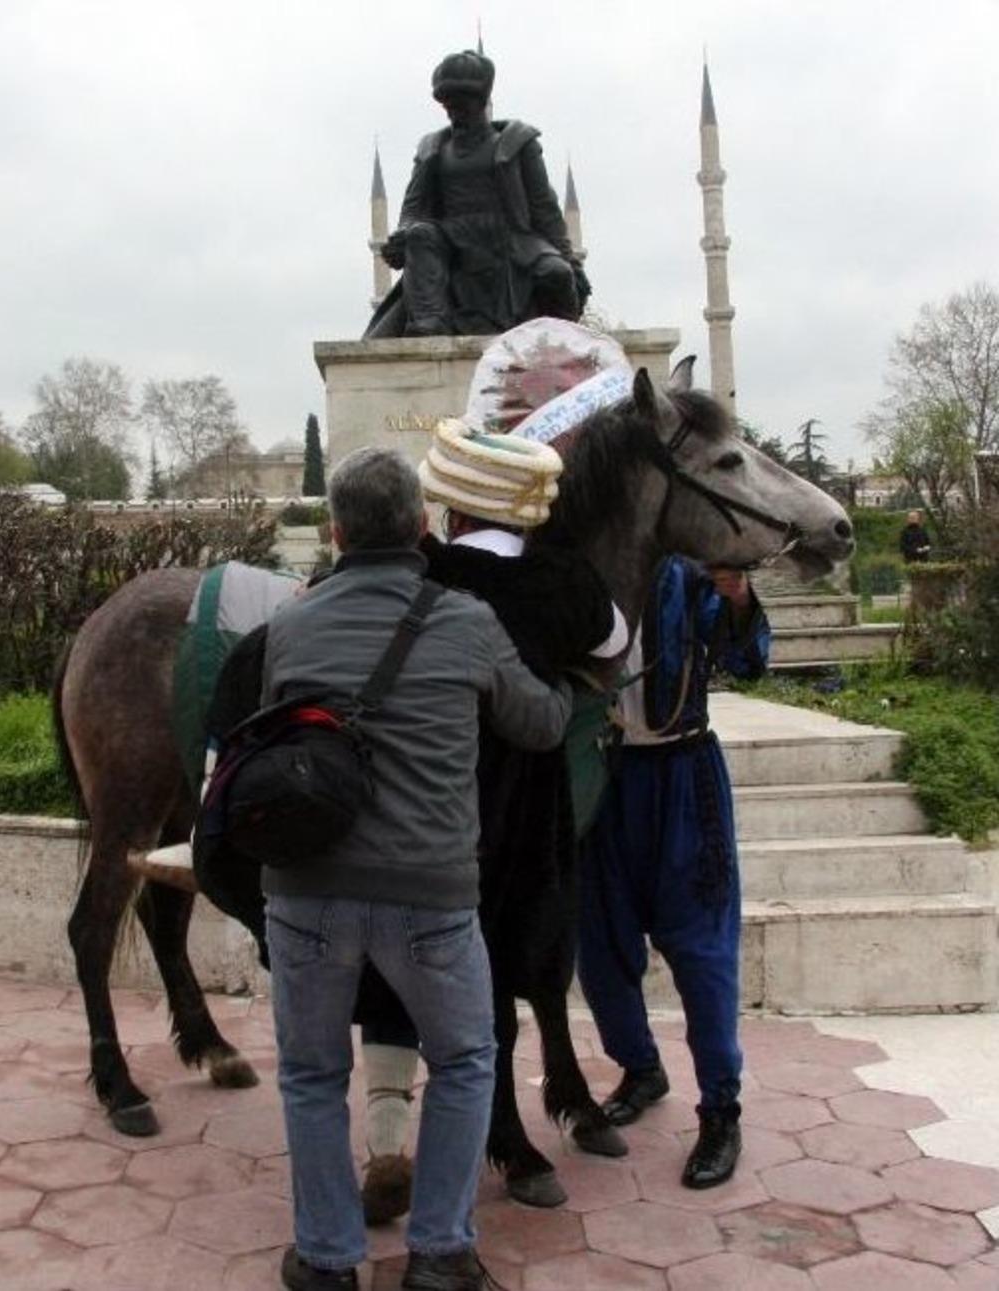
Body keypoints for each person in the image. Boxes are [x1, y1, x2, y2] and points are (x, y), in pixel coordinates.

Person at [263, 446, 573, 1291]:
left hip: (307, 892)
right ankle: (439, 1251)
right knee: (468, 1059)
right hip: (430, 894)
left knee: (311, 1072)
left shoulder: (292, 622)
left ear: (334, 531)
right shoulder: (467, 620)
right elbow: (540, 723)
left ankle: (326, 1259)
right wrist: (575, 683)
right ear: (423, 526)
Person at [358, 410, 627, 1218]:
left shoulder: (423, 573)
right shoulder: (565, 580)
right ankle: (502, 1138)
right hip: (528, 805)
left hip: (420, 801)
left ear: (455, 505)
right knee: (520, 954)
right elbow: (615, 646)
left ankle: (399, 1127)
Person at [577, 556, 770, 1189]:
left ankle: (721, 1109)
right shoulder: (577, 571)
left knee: (703, 951)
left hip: (684, 778)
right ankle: (639, 1067)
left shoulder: (689, 575)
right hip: (601, 780)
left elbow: (747, 660)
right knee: (599, 946)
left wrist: (738, 596)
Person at [365, 49, 589, 338]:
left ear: (481, 102)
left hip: (510, 237)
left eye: (461, 104)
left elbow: (544, 208)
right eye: (449, 105)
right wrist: (403, 233)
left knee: (556, 274)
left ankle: (567, 342)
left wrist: (569, 260)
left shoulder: (518, 144)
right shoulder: (433, 150)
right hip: (452, 237)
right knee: (420, 234)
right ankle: (430, 323)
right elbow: (414, 207)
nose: (454, 112)